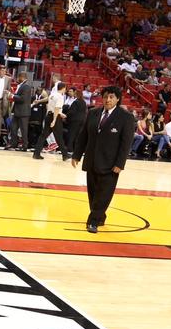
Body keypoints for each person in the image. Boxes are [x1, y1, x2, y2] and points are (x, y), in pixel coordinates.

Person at [70, 86, 135, 233]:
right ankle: (100, 215)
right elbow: (83, 136)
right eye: (105, 97)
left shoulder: (126, 117)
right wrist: (76, 155)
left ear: (117, 99)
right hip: (92, 160)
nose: (108, 100)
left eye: (111, 97)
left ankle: (93, 221)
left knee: (104, 194)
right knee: (93, 194)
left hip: (111, 164)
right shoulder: (93, 113)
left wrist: (120, 164)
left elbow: (126, 143)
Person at [34, 82, 69, 161]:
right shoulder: (60, 97)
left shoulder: (52, 95)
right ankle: (65, 155)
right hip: (55, 118)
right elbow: (56, 108)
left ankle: (36, 154)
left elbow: (52, 107)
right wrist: (54, 120)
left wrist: (60, 113)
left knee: (43, 136)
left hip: (48, 116)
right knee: (59, 137)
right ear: (63, 88)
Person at [7, 73, 33, 151]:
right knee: (13, 128)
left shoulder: (26, 86)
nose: (17, 79)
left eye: (18, 77)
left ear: (22, 77)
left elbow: (23, 99)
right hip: (17, 111)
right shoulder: (21, 86)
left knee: (23, 130)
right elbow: (18, 96)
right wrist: (13, 94)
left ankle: (25, 146)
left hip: (24, 112)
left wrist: (12, 96)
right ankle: (13, 144)